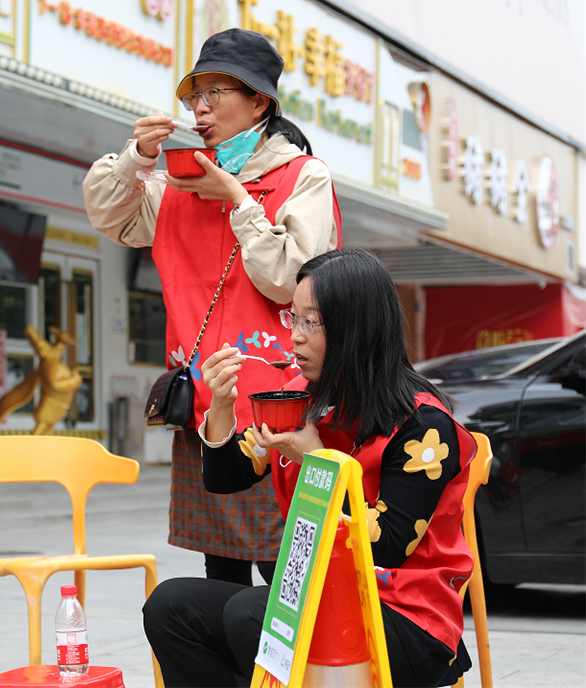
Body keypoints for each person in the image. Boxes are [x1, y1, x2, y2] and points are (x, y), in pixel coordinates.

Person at [142, 249, 475, 688]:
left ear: (355, 328)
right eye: (292, 319)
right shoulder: (300, 397)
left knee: (252, 614)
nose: (294, 337)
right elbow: (225, 478)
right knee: (170, 606)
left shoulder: (423, 426)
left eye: (310, 322)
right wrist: (220, 407)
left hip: (405, 618)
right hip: (312, 595)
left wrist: (317, 461)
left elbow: (385, 547)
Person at [83, 28, 341, 587]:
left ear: (259, 102)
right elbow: (107, 215)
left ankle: (281, 653)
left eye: (215, 93)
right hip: (206, 405)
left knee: (285, 573)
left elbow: (290, 281)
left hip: (281, 410)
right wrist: (136, 158)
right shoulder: (176, 185)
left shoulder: (304, 176)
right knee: (219, 571)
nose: (199, 109)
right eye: (194, 96)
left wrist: (239, 201)